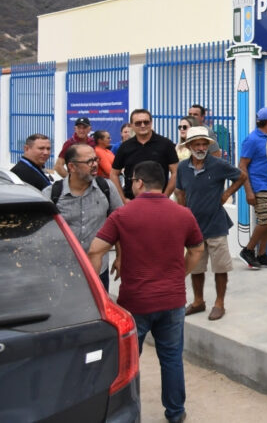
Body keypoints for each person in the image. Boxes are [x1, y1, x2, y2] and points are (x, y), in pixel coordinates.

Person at [87, 160, 204, 423]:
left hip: (135, 302)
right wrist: (180, 275)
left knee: (128, 362)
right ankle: (175, 412)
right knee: (172, 358)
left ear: (139, 182)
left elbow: (95, 249)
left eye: (132, 181)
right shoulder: (183, 214)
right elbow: (197, 250)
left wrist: (96, 289)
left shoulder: (123, 215)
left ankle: (127, 413)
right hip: (172, 300)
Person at [175, 127, 246, 321]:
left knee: (220, 266)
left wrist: (226, 194)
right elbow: (180, 192)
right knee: (196, 267)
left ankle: (219, 303)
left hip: (216, 224)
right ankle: (198, 301)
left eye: (204, 144)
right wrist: (183, 214)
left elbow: (241, 176)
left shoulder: (218, 164)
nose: (201, 148)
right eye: (197, 144)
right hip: (194, 226)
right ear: (189, 146)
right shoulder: (182, 168)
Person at [44, 144, 121, 289]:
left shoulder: (106, 188)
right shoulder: (52, 194)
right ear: (72, 167)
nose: (95, 165)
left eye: (96, 160)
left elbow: (119, 225)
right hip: (62, 273)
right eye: (89, 161)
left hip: (98, 271)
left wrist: (120, 257)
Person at [239, 107, 267, 269]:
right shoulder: (252, 140)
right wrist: (248, 191)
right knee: (266, 220)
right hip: (259, 186)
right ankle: (248, 250)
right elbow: (242, 166)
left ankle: (262, 254)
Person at [111, 108, 179, 201]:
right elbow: (114, 174)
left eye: (146, 122)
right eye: (138, 123)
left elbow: (176, 172)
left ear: (151, 123)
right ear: (131, 125)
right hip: (132, 201)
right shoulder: (125, 147)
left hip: (158, 201)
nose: (142, 125)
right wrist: (123, 199)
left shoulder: (166, 144)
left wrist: (165, 196)